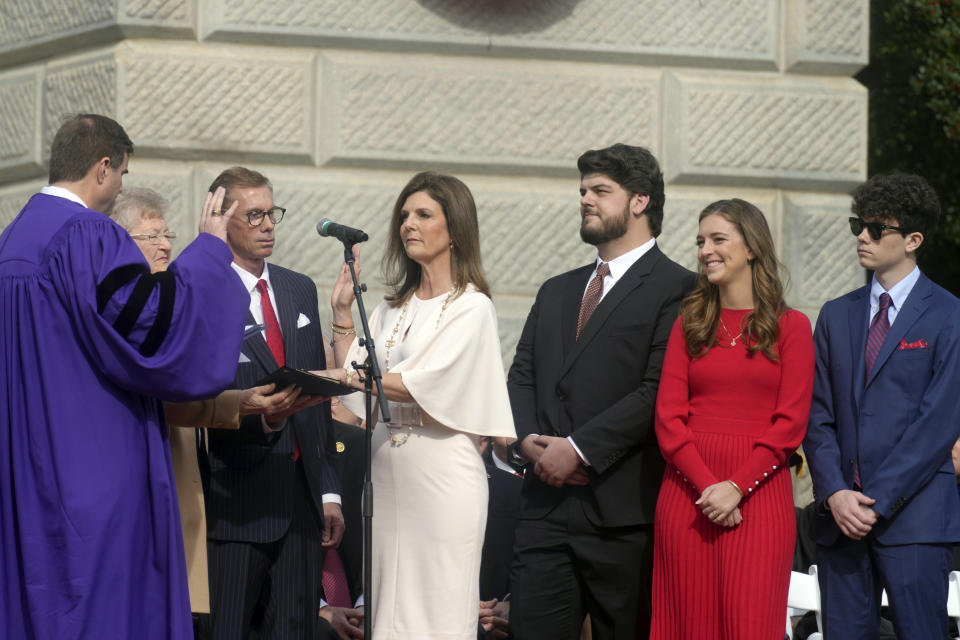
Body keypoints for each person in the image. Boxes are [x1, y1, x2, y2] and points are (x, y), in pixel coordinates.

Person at [0, 113, 250, 639]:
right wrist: (207, 253)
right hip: (95, 469)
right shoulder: (87, 236)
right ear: (104, 167)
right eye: (122, 176)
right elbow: (156, 334)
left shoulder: (11, 243)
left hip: (26, 468)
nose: (119, 189)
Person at [506, 143, 695, 639]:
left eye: (600, 191)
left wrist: (579, 450)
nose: (586, 199)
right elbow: (520, 376)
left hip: (624, 516)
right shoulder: (556, 290)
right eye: (583, 190)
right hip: (542, 511)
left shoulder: (680, 288)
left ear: (639, 201)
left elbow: (658, 390)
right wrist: (527, 443)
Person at [112, 187, 320, 631]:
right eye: (152, 237)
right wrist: (206, 250)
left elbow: (178, 398)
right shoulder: (123, 308)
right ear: (118, 242)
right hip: (148, 501)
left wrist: (244, 405)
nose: (167, 244)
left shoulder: (295, 288)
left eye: (167, 234)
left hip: (202, 500)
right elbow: (161, 392)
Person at [330, 171, 516, 639]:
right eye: (405, 215)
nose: (408, 224)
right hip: (388, 474)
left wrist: (344, 375)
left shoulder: (472, 307)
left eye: (424, 215)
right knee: (388, 612)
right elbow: (356, 392)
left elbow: (420, 385)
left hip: (442, 476)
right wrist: (341, 315)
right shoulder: (392, 308)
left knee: (435, 613)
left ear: (454, 229)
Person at [803, 173, 960, 639]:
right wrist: (834, 492)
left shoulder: (949, 315)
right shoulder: (836, 313)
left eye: (876, 228)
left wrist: (875, 503)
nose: (863, 237)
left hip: (915, 520)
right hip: (841, 519)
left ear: (913, 240)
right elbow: (817, 413)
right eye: (859, 225)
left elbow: (938, 423)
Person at [650, 199, 814, 639]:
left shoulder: (792, 326)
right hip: (688, 494)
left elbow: (790, 424)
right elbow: (668, 419)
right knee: (686, 623)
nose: (705, 250)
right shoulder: (689, 324)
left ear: (751, 249)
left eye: (718, 239)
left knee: (749, 623)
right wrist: (709, 486)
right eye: (701, 240)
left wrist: (737, 486)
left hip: (759, 496)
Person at [202, 167, 344, 639]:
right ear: (222, 221)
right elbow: (194, 401)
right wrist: (260, 421)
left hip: (301, 508)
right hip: (235, 504)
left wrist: (327, 490)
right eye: (255, 215)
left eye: (272, 213)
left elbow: (316, 404)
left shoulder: (298, 287)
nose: (268, 225)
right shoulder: (202, 292)